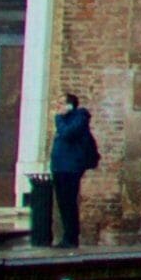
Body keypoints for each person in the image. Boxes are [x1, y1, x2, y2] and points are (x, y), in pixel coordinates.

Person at [40, 91, 97, 249]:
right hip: (60, 167)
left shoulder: (79, 118)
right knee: (63, 203)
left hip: (71, 168)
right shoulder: (65, 120)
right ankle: (67, 236)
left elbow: (67, 134)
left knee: (69, 202)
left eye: (60, 103)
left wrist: (58, 118)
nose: (57, 107)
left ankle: (71, 238)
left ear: (70, 105)